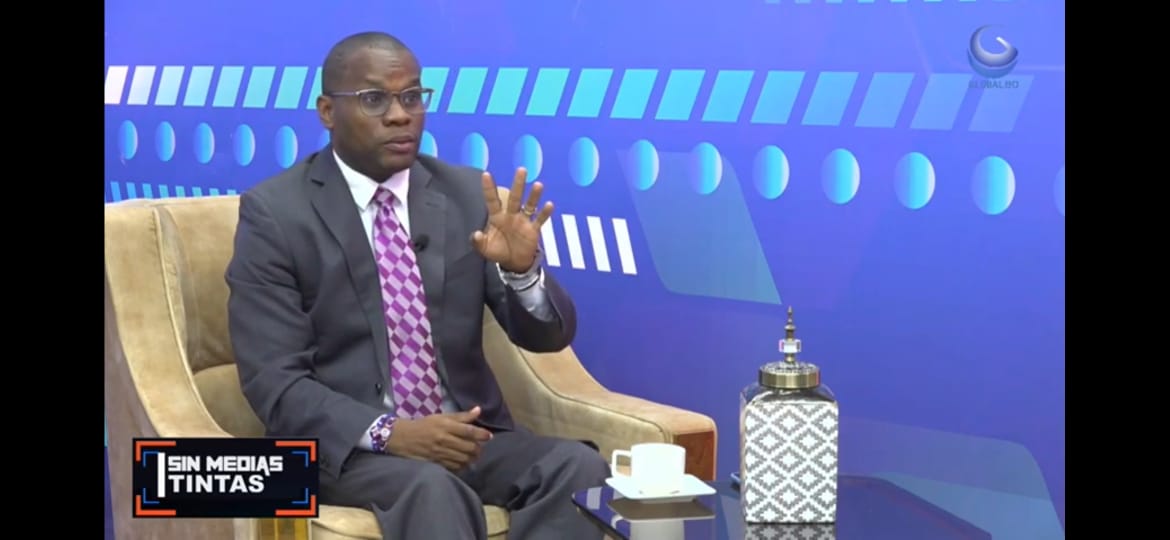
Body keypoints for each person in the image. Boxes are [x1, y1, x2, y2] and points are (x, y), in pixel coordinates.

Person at [225, 30, 609, 540]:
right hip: (346, 452)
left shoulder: (465, 195)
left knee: (576, 468)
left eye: (411, 97)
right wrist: (394, 434)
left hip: (467, 436)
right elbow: (275, 383)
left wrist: (522, 272)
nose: (400, 115)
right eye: (374, 99)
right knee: (432, 488)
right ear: (327, 111)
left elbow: (547, 337)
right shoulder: (276, 214)